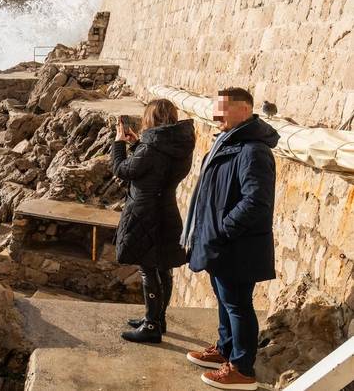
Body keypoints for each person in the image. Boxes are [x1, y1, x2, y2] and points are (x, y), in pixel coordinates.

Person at [182, 87, 278, 391]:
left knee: (238, 304)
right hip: (220, 242)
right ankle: (224, 350)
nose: (215, 115)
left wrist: (224, 229)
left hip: (236, 245)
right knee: (226, 301)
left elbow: (256, 201)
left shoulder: (253, 151)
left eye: (222, 108)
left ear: (244, 110)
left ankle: (241, 369)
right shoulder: (229, 143)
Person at [111, 98, 195, 344]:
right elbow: (157, 165)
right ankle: (159, 318)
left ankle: (151, 325)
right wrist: (138, 143)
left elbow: (123, 170)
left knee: (148, 268)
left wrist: (118, 143)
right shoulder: (180, 143)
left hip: (145, 213)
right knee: (164, 267)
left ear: (152, 119)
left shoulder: (152, 148)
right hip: (166, 209)